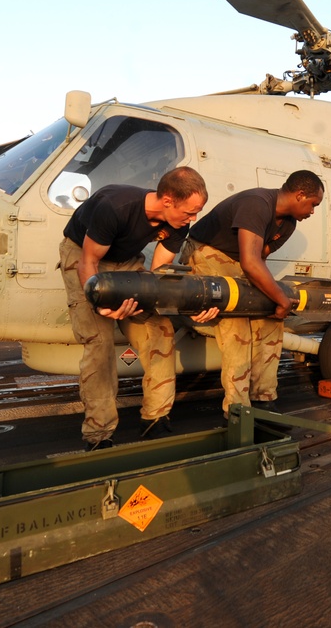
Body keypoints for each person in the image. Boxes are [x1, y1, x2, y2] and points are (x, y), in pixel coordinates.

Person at [59, 167, 216, 451]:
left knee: (159, 331)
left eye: (197, 212)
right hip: (83, 257)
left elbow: (159, 275)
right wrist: (102, 305)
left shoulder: (179, 223)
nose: (193, 219)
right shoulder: (116, 207)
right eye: (190, 212)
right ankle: (99, 433)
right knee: (99, 342)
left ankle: (156, 418)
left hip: (127, 262)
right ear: (167, 200)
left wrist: (179, 306)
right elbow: (88, 263)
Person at [181, 171, 325, 417]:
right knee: (237, 329)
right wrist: (281, 298)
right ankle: (238, 411)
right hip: (206, 254)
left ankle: (263, 400)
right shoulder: (256, 204)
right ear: (300, 195)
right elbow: (250, 263)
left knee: (271, 321)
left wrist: (274, 304)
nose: (312, 212)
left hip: (238, 263)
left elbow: (258, 260)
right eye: (313, 204)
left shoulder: (288, 224)